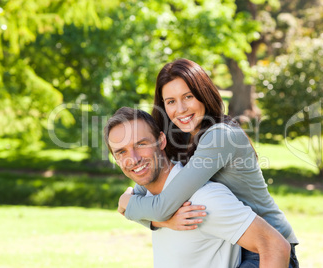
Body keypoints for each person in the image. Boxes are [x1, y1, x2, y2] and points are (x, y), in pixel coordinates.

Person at [119, 59, 299, 267]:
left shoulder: (220, 137)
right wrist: (160, 220)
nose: (181, 109)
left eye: (188, 96)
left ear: (203, 94)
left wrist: (127, 205)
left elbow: (158, 206)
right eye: (170, 102)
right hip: (235, 242)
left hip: (266, 247)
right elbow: (149, 195)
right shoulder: (182, 139)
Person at [104, 107, 290, 268]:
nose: (134, 159)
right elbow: (125, 205)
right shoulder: (146, 197)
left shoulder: (204, 199)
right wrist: (163, 221)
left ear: (161, 141)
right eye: (121, 152)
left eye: (141, 144)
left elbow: (275, 247)